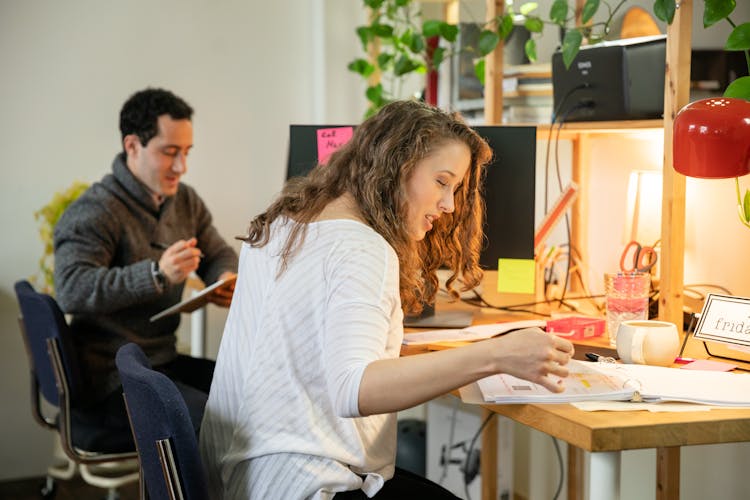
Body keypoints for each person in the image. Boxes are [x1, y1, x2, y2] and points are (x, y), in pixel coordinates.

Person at [199, 100, 574, 499]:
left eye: (457, 188)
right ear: (397, 164)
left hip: (234, 477)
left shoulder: (284, 223)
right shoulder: (362, 245)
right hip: (304, 483)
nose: (449, 205)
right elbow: (353, 389)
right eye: (442, 181)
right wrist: (496, 355)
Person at [53, 87, 239, 433]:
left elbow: (218, 252)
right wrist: (156, 274)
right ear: (132, 146)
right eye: (170, 152)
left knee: (251, 394)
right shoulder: (96, 209)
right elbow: (71, 289)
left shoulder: (185, 200)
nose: (181, 166)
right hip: (108, 378)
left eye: (186, 152)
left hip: (159, 362)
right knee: (216, 427)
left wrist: (224, 278)